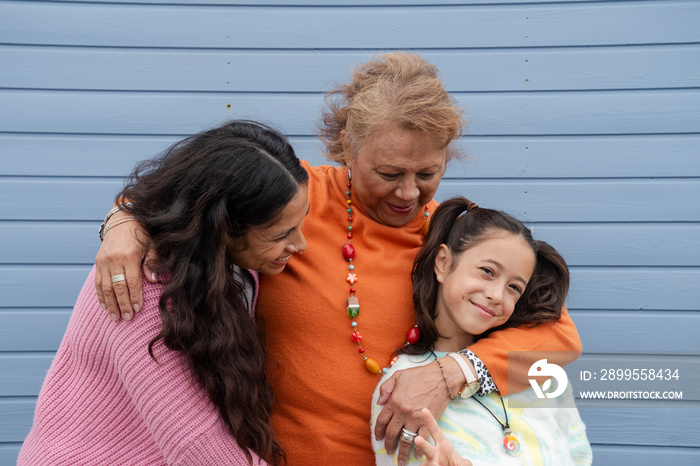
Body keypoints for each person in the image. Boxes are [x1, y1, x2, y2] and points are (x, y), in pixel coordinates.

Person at [93, 52, 583, 465]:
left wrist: (450, 373)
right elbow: (181, 200)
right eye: (389, 172)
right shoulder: (294, 200)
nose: (408, 192)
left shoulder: (458, 239)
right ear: (347, 144)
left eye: (428, 172)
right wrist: (124, 226)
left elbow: (559, 337)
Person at [18, 120, 309, 465]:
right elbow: (199, 447)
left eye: (301, 223)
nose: (301, 244)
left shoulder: (230, 264)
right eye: (280, 235)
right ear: (222, 228)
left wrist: (121, 217)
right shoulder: (141, 288)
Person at [371, 197, 593, 465]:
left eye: (514, 288)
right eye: (488, 271)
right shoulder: (403, 389)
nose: (498, 295)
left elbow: (579, 454)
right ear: (443, 262)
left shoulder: (538, 370)